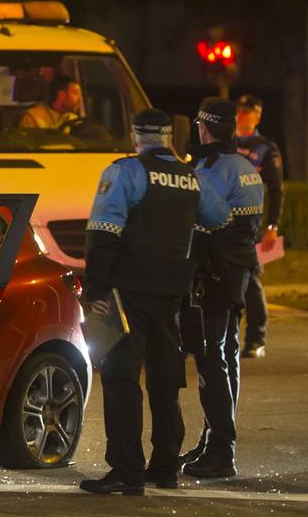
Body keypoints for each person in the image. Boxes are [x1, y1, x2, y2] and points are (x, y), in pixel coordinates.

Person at [78, 109, 229, 496]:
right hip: (172, 295)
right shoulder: (188, 175)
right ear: (168, 137)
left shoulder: (125, 172)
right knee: (165, 382)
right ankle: (165, 468)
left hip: (128, 291)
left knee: (121, 379)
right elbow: (219, 218)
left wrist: (93, 290)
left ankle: (127, 471)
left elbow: (103, 232)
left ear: (135, 135)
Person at [181, 97, 265, 480]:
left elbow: (197, 228)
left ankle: (220, 450)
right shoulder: (246, 166)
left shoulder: (210, 171)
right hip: (238, 274)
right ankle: (213, 438)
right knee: (226, 354)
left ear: (204, 127)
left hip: (213, 277)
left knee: (209, 359)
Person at [234, 93, 284, 358]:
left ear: (257, 116)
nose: (241, 116)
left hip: (249, 224)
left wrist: (272, 226)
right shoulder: (225, 141)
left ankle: (256, 338)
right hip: (222, 220)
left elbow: (276, 190)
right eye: (239, 111)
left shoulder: (265, 147)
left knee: (250, 278)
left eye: (246, 112)